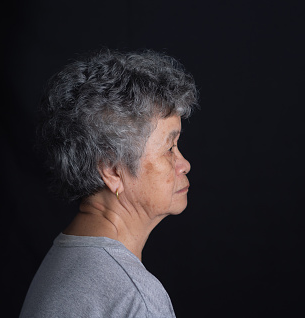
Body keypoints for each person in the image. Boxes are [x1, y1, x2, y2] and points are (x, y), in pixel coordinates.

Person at [20, 49, 198, 317]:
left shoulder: (64, 261)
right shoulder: (134, 298)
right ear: (113, 171)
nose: (184, 164)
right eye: (169, 149)